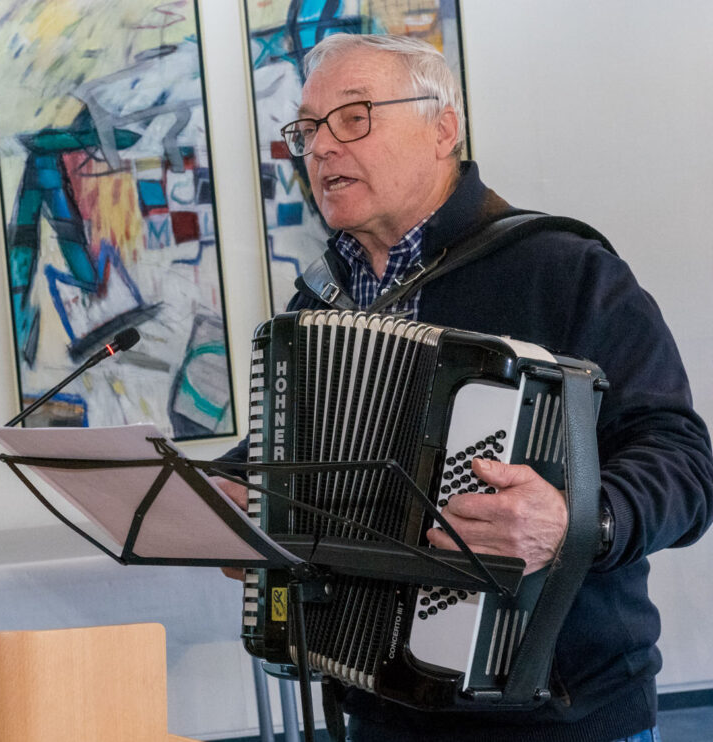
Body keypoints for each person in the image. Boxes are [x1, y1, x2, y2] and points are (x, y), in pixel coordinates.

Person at [217, 34, 712, 742]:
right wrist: (226, 500)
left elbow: (683, 464)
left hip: (565, 715)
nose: (321, 148)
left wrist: (577, 523)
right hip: (378, 709)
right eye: (306, 129)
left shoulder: (564, 271)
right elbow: (283, 453)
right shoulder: (318, 306)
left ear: (442, 127)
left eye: (353, 118)